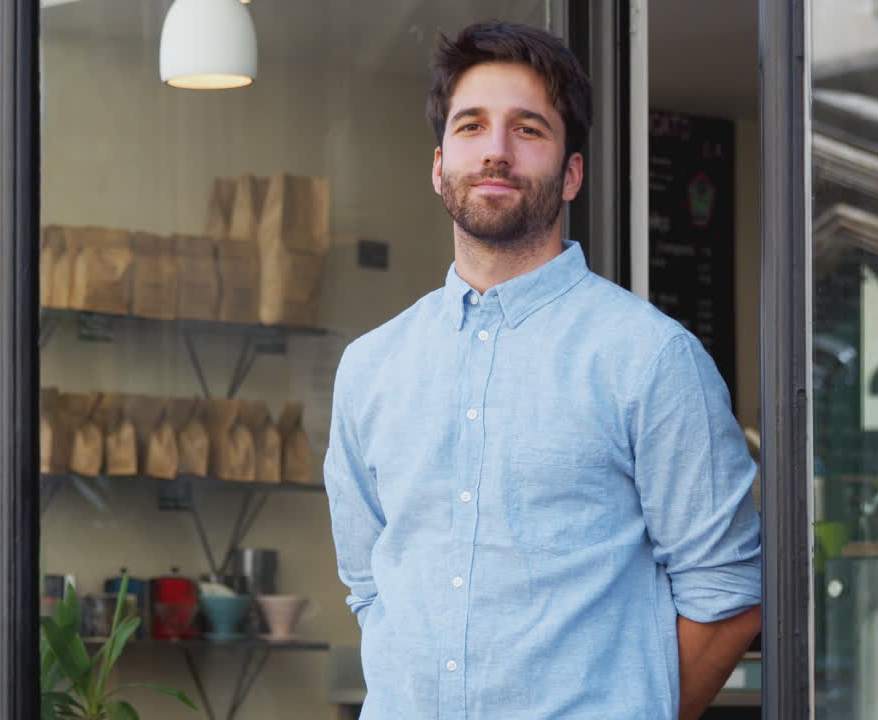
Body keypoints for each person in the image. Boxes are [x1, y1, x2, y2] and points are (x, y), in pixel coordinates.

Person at [324, 20, 761, 720]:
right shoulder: (371, 367)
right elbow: (371, 588)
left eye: (528, 130)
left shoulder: (650, 358)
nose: (495, 151)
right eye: (471, 127)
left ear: (572, 173)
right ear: (439, 165)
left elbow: (728, 598)